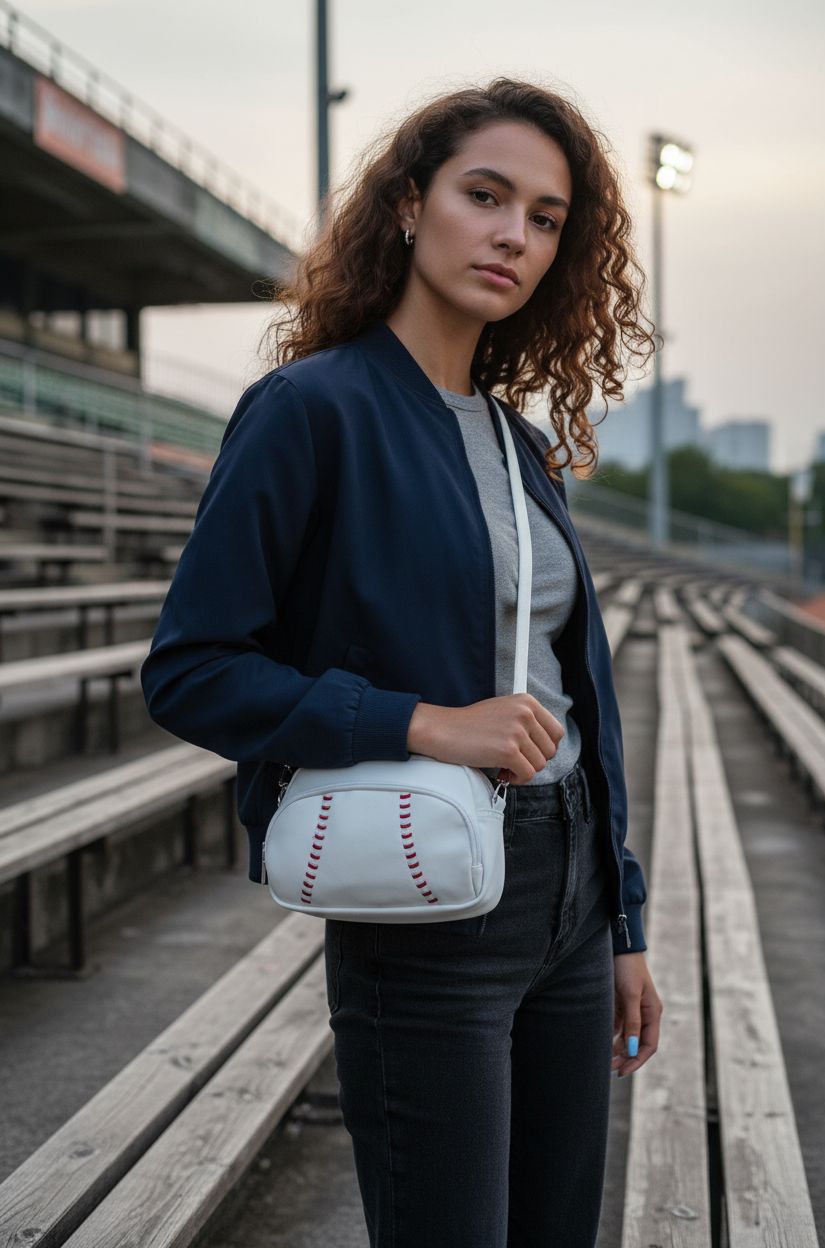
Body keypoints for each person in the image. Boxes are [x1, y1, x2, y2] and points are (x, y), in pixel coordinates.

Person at [141, 76, 663, 1248]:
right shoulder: (307, 411)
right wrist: (420, 721)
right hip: (427, 909)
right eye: (485, 195)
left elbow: (582, 698)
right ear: (408, 208)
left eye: (543, 218)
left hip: (570, 897)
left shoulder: (522, 446)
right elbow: (191, 670)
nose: (512, 235)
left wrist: (619, 925)